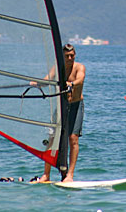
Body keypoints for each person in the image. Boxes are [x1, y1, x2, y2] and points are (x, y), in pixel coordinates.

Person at [38, 43, 86, 183]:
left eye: (72, 55)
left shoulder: (79, 67)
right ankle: (46, 175)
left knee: (73, 139)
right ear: (62, 56)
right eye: (67, 56)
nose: (70, 58)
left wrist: (71, 84)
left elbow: (80, 79)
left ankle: (70, 175)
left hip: (76, 106)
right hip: (61, 106)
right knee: (52, 138)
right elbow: (47, 80)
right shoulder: (58, 68)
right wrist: (37, 83)